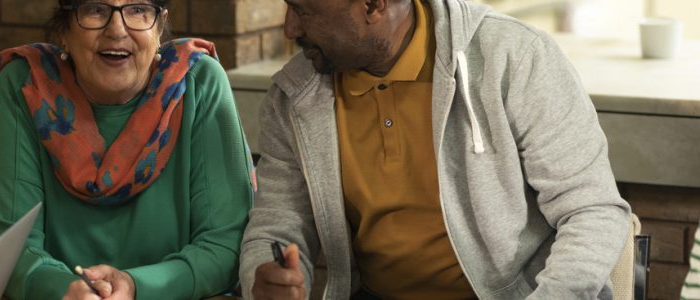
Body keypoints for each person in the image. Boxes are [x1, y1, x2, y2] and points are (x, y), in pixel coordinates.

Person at [239, 0, 632, 299]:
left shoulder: (514, 57)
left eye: (303, 10)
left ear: (374, 5)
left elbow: (592, 210)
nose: (290, 27)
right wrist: (265, 275)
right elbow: (276, 223)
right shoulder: (293, 95)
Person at [0, 0, 255, 299]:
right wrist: (67, 291)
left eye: (138, 10)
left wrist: (135, 286)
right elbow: (13, 251)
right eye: (95, 9)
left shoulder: (197, 82)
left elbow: (225, 247)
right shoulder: (26, 85)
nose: (117, 29)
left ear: (159, 26)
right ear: (64, 30)